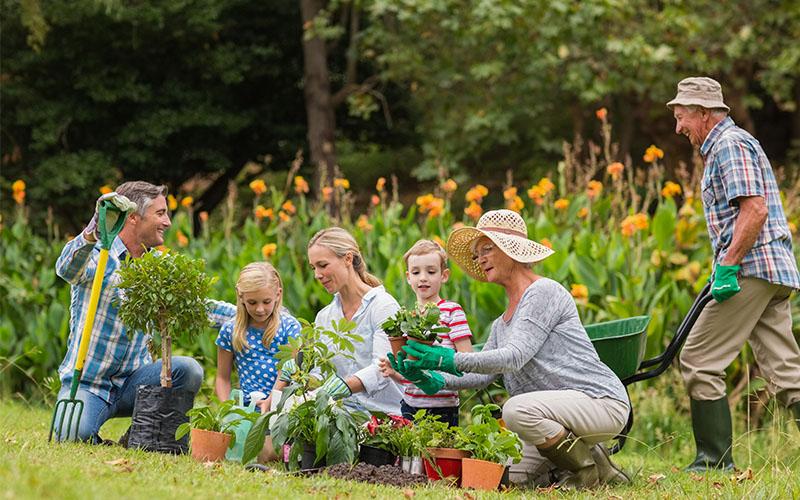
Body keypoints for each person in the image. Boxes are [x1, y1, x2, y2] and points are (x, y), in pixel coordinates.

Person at [389, 209, 630, 489]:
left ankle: (584, 473)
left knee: (514, 410)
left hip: (599, 401)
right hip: (555, 412)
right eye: (477, 253)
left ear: (511, 250)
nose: (480, 258)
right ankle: (599, 462)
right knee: (508, 476)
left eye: (487, 249)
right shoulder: (501, 325)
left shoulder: (543, 293)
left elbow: (514, 357)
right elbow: (481, 376)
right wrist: (433, 380)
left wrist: (448, 358)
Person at [667, 77, 800, 471]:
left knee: (699, 358)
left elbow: (754, 209)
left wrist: (726, 267)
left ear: (705, 114)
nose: (678, 128)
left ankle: (713, 461)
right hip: (767, 269)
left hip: (752, 268)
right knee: (785, 371)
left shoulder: (728, 145)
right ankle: (714, 459)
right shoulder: (726, 145)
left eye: (682, 117)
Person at [54, 181, 235, 443]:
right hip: (89, 385)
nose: (168, 222)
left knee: (188, 369)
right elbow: (66, 270)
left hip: (137, 384)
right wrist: (93, 232)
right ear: (133, 218)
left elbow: (198, 306)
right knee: (72, 435)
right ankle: (98, 437)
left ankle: (144, 435)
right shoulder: (99, 254)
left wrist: (249, 315)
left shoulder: (157, 266)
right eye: (160, 213)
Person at [276, 227, 403, 415]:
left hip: (383, 418)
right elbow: (321, 373)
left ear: (348, 259)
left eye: (323, 265)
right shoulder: (325, 317)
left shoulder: (383, 307)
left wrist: (344, 386)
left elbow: (383, 368)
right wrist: (301, 378)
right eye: (313, 268)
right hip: (339, 416)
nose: (317, 275)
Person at [379, 239, 473, 426]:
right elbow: (411, 373)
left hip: (443, 407)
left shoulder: (451, 311)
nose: (423, 277)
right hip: (409, 404)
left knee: (440, 453)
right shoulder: (406, 319)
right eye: (416, 272)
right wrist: (394, 372)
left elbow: (467, 360)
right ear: (408, 277)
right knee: (409, 454)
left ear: (444, 275)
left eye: (431, 272)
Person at [214, 262, 300, 412]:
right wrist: (227, 409)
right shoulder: (231, 330)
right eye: (252, 302)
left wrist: (271, 401)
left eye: (266, 302)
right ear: (241, 297)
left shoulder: (289, 327)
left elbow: (286, 371)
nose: (260, 309)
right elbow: (222, 378)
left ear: (278, 295)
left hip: (282, 408)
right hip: (246, 410)